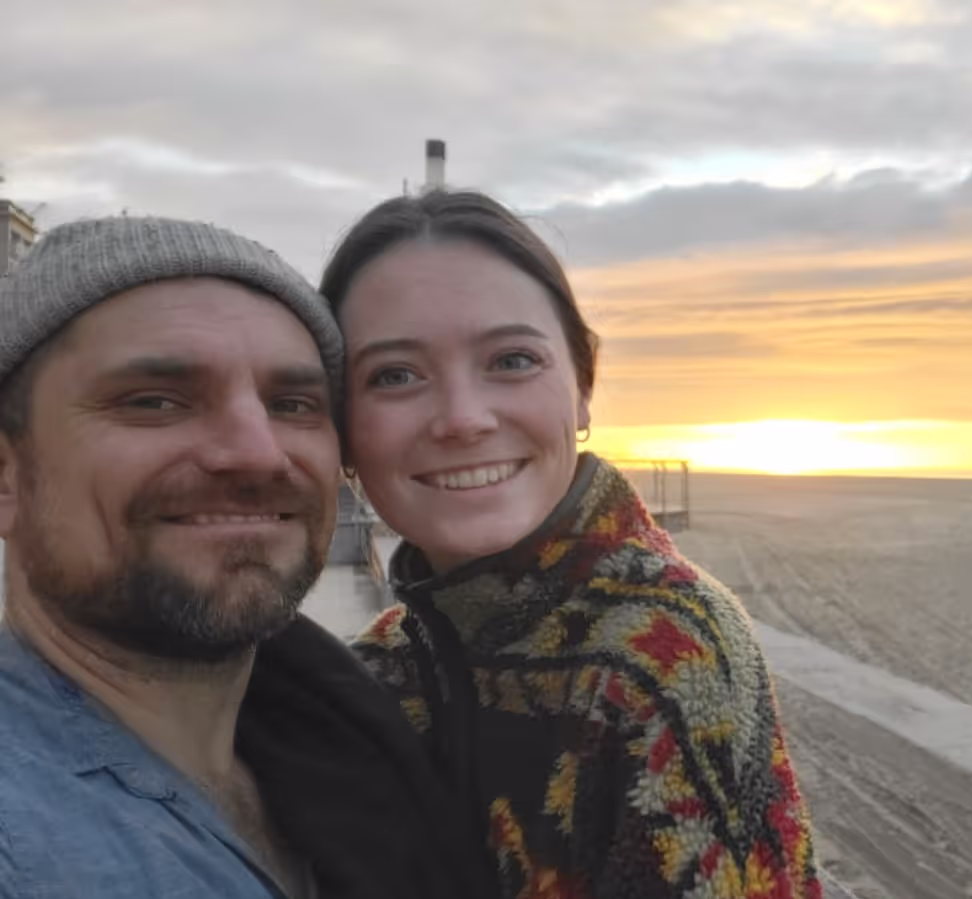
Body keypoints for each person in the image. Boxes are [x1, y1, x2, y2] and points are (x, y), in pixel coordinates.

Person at [322, 190, 822, 899]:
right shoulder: (376, 667)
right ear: (342, 426)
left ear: (582, 382)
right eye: (394, 375)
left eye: (512, 360)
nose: (463, 418)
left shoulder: (660, 656)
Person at [0, 217, 496, 899]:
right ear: (7, 475)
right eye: (154, 401)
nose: (258, 452)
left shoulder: (342, 746)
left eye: (293, 403)